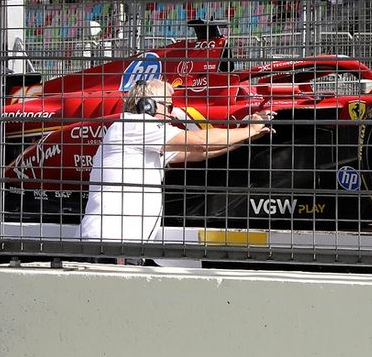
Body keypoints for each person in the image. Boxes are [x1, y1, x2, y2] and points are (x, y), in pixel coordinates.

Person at [79, 77, 273, 252]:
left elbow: (198, 153)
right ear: (148, 105)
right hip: (109, 243)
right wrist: (249, 129)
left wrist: (245, 137)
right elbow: (199, 142)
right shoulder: (137, 125)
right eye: (168, 106)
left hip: (118, 244)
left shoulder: (139, 135)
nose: (172, 114)